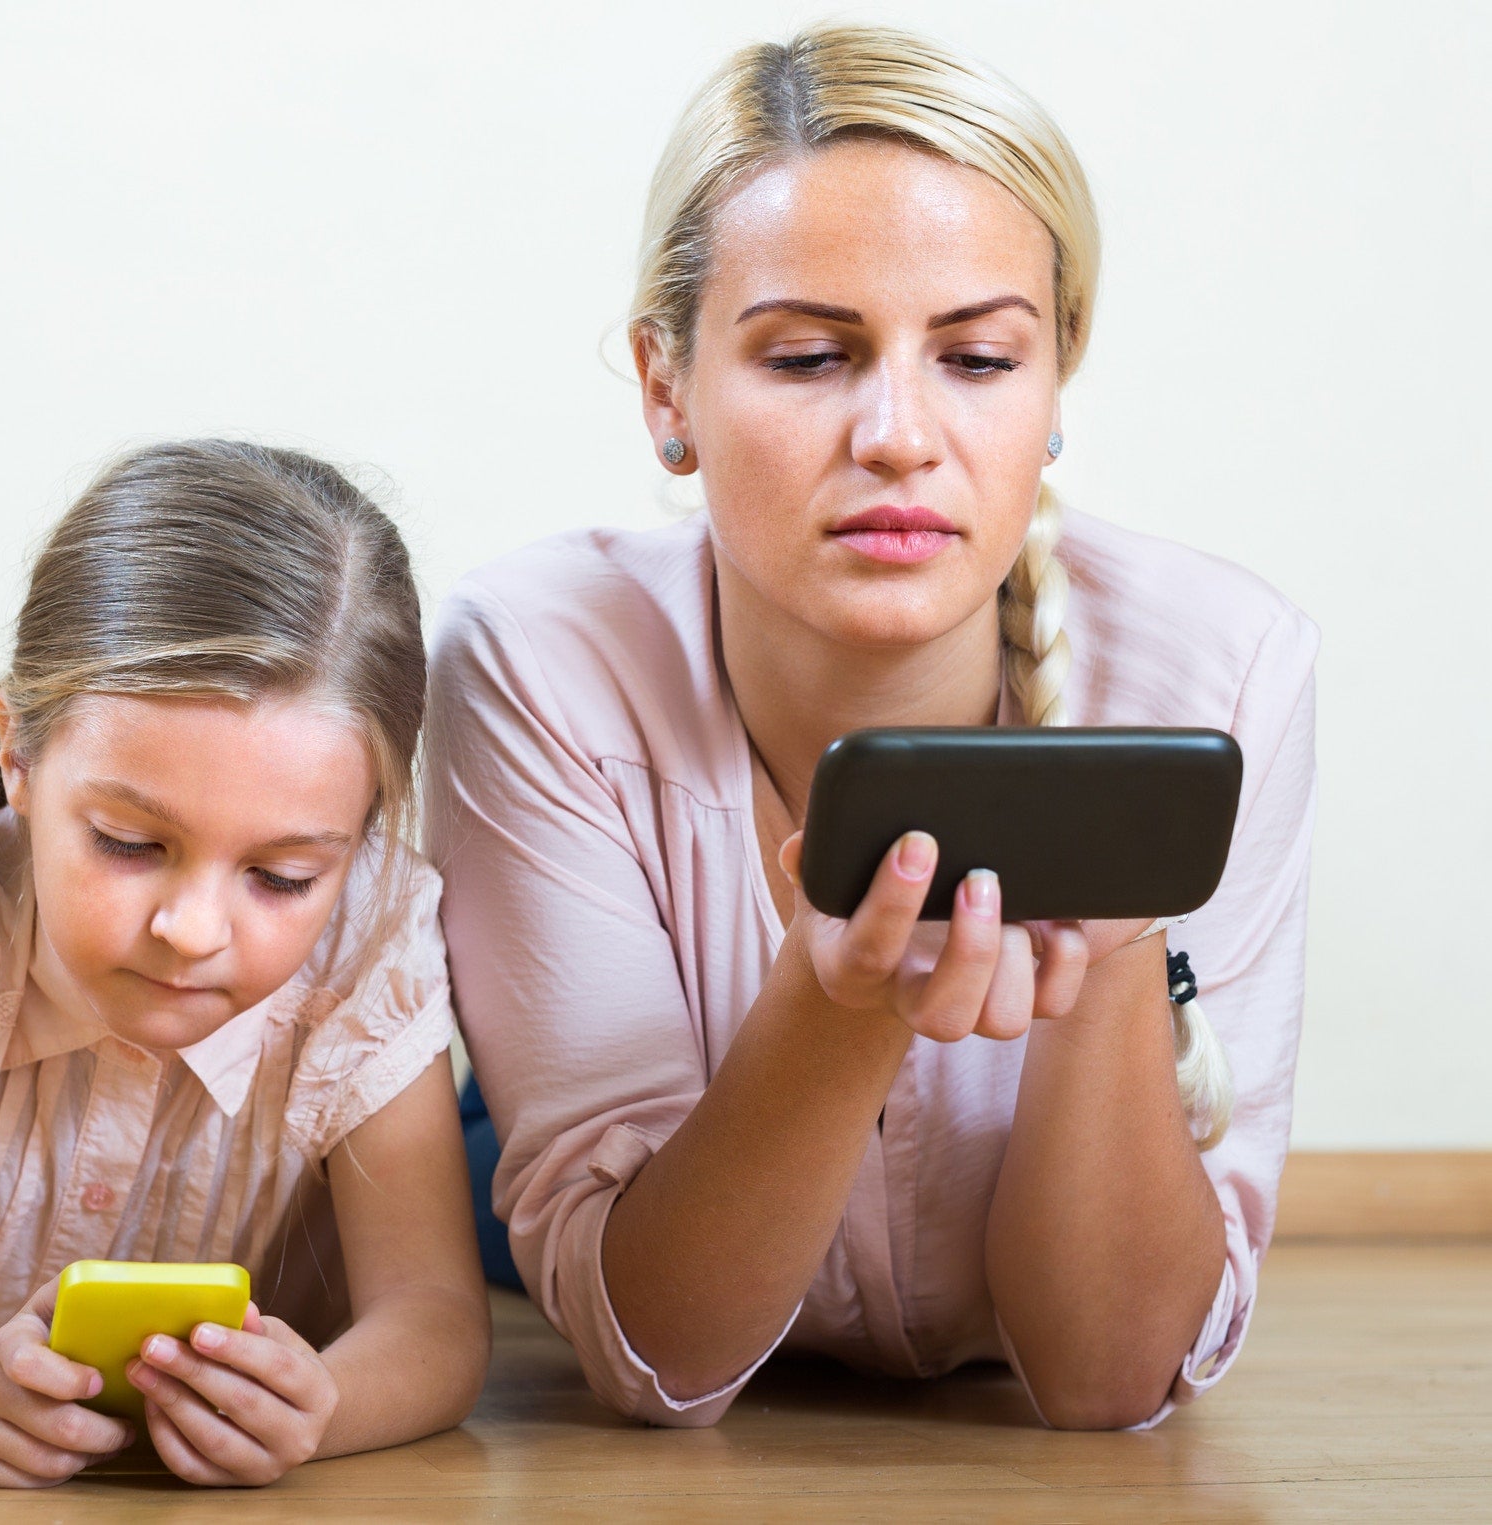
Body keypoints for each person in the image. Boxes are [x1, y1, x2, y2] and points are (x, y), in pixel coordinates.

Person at [427, 24, 1317, 1431]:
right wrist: (835, 1005)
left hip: (963, 1262)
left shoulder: (1222, 668)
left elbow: (1105, 1384)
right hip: (615, 1145)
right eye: (805, 358)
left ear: (1053, 384)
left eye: (974, 358)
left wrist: (1121, 936)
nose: (898, 435)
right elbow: (661, 1354)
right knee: (466, 1159)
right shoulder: (533, 652)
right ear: (667, 390)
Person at [0, 441, 489, 1487]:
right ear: (18, 755)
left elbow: (434, 1323)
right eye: (129, 842)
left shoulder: (367, 953)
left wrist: (318, 1410)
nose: (194, 929)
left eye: (283, 875)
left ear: (362, 834)